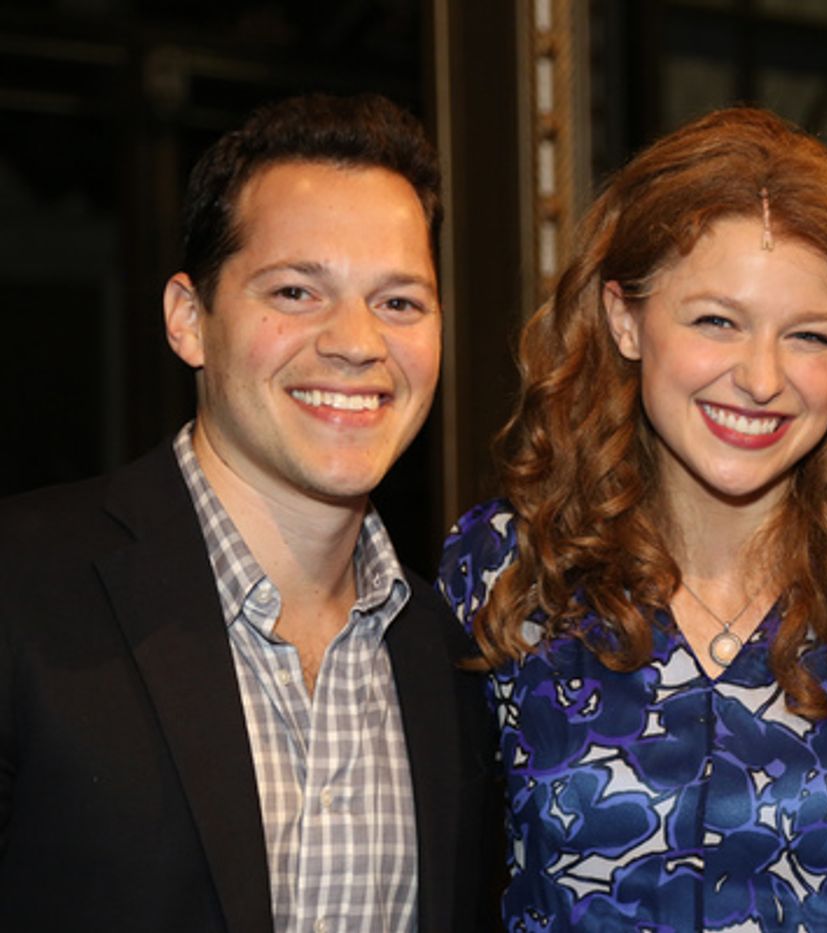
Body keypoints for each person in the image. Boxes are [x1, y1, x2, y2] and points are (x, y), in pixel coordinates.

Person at [436, 105, 827, 932]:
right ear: (625, 318)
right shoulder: (508, 563)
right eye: (717, 320)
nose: (761, 378)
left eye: (810, 336)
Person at [0, 93, 496, 932]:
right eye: (298, 290)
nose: (355, 341)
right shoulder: (24, 588)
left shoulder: (454, 662)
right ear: (189, 320)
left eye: (400, 301)